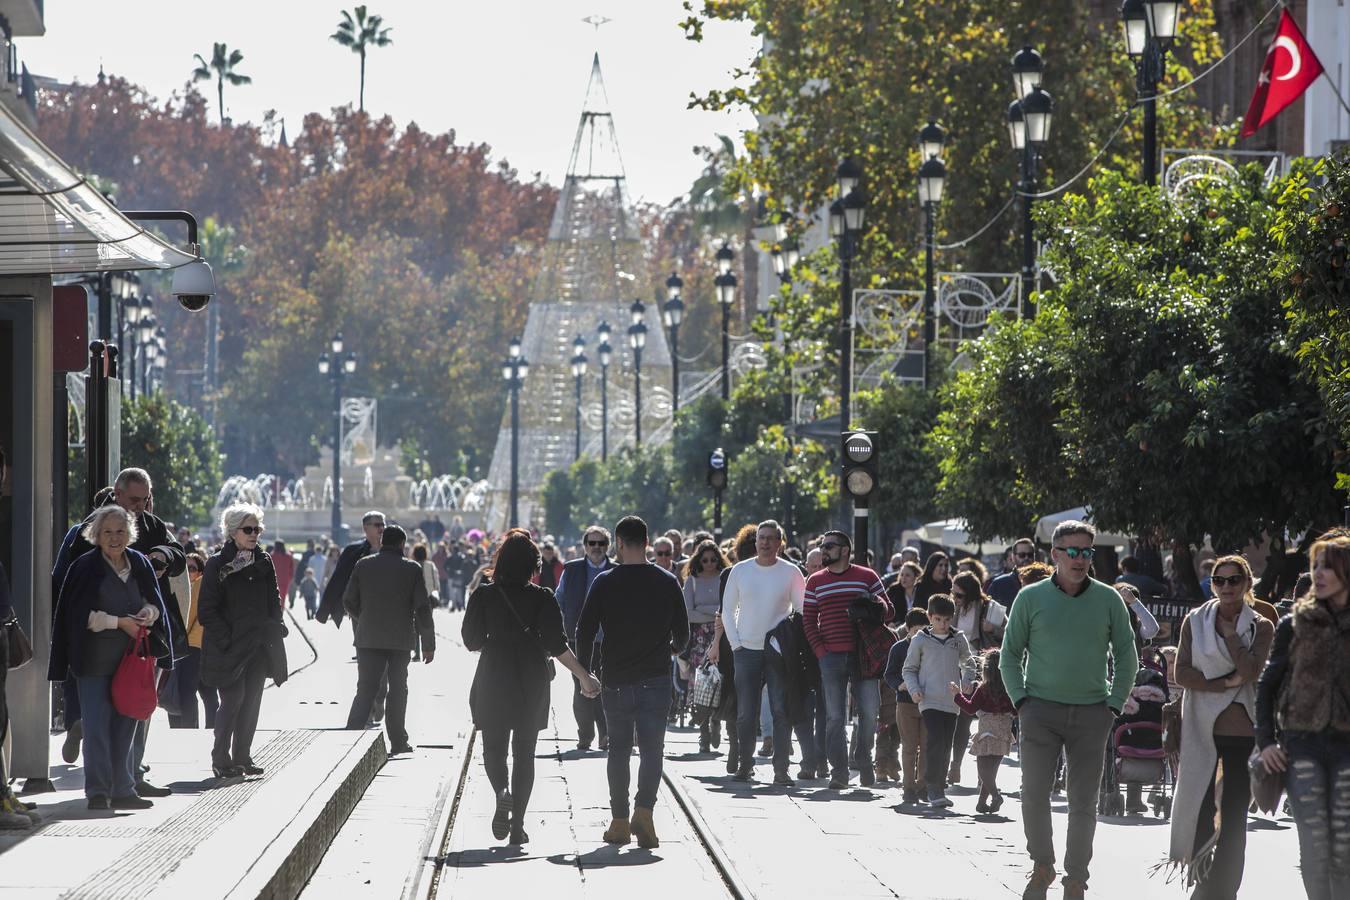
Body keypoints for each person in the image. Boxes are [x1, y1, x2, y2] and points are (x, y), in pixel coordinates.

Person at [999, 520, 1138, 900]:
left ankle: (1076, 878)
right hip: (1039, 710)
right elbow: (1009, 656)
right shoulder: (1030, 598)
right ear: (1055, 554)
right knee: (1033, 794)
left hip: (1092, 712)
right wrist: (1021, 701)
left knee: (1083, 802)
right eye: (1072, 552)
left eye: (1087, 552)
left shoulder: (1109, 599)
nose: (1080, 559)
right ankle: (1042, 864)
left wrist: (1113, 703)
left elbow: (1128, 656)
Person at [51, 467, 186, 797]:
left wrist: (148, 613)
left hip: (134, 655)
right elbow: (72, 606)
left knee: (131, 716)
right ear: (97, 533)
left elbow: (164, 580)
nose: (115, 537)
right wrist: (119, 622)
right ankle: (99, 790)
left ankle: (128, 782)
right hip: (94, 656)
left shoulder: (141, 555)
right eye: (108, 532)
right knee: (98, 724)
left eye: (121, 532)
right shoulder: (84, 560)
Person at [463, 530, 597, 844]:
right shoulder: (543, 598)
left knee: (493, 749)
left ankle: (501, 791)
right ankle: (518, 827)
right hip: (532, 680)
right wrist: (583, 676)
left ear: (500, 561)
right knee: (525, 754)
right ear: (533, 565)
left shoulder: (483, 595)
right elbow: (558, 645)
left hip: (493, 675)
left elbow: (470, 641)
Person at [576, 516, 688, 849]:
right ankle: (645, 813)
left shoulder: (605, 582)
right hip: (655, 678)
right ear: (648, 541)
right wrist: (669, 648)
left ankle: (620, 821)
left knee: (619, 750)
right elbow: (682, 635)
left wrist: (586, 671)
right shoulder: (668, 581)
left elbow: (584, 630)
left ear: (619, 543)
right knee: (653, 750)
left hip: (617, 680)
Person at [1166, 554, 1273, 899]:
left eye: (1233, 580)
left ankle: (1223, 889)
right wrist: (1226, 683)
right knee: (1199, 808)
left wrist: (1230, 636)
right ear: (1211, 584)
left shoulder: (1263, 624)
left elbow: (1254, 671)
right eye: (1218, 580)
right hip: (1201, 729)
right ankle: (1202, 875)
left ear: (1246, 584)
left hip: (1243, 734)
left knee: (1233, 816)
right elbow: (1180, 674)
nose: (1226, 587)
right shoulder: (1194, 621)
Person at [1256, 532, 1350, 900]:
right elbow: (1266, 687)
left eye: (1329, 566)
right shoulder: (1293, 624)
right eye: (1315, 566)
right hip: (1301, 745)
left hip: (1348, 749)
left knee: (1343, 846)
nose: (1319, 574)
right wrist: (1265, 743)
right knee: (1314, 843)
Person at [199, 503, 288, 780]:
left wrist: (276, 625)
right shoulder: (217, 563)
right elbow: (207, 611)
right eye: (248, 529)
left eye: (257, 529)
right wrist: (227, 638)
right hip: (229, 646)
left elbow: (274, 599)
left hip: (258, 645)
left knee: (251, 702)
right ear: (232, 531)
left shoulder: (263, 561)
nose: (254, 534)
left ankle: (242, 757)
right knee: (233, 700)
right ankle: (220, 758)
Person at [803, 529, 892, 789]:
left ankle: (864, 760)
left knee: (869, 712)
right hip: (830, 656)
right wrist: (821, 651)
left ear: (845, 550)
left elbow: (890, 611)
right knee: (834, 717)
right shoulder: (815, 581)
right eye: (822, 546)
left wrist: (874, 605)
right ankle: (839, 772)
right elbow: (809, 620)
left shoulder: (867, 576)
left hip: (864, 656)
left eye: (829, 546)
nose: (824, 550)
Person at [721, 520, 805, 785]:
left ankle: (782, 770)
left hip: (778, 653)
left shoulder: (791, 572)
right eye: (761, 538)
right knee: (746, 712)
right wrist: (736, 645)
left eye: (771, 538)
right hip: (746, 650)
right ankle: (746, 766)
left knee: (781, 709)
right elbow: (727, 611)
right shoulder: (740, 571)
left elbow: (801, 610)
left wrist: (790, 643)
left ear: (780, 542)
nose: (766, 543)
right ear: (755, 541)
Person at [344, 525, 436, 754]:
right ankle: (398, 741)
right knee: (398, 689)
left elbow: (348, 601)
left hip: (368, 638)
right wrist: (428, 644)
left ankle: (350, 738)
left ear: (382, 541)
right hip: (400, 640)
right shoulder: (412, 569)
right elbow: (422, 608)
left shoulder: (363, 564)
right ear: (402, 544)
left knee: (365, 688)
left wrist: (364, 618)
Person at [901, 594, 972, 807]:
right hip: (929, 700)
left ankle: (940, 786)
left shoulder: (958, 639)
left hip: (952, 702)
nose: (943, 624)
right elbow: (909, 669)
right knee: (934, 740)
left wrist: (967, 681)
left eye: (947, 620)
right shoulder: (920, 640)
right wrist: (914, 690)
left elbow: (969, 663)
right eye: (938, 619)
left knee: (946, 744)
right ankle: (931, 786)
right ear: (930, 617)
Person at [555, 525, 614, 752]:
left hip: (608, 639)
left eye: (601, 543)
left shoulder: (616, 570)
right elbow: (559, 599)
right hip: (578, 638)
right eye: (592, 543)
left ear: (608, 546)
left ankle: (605, 733)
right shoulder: (572, 569)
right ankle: (585, 735)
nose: (597, 548)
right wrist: (562, 624)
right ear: (585, 546)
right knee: (581, 684)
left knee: (606, 687)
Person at [948, 571, 1007, 783]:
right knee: (962, 720)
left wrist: (994, 628)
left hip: (984, 669)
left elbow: (1009, 632)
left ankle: (986, 776)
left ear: (971, 593)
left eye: (959, 595)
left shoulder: (990, 607)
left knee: (985, 720)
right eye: (953, 594)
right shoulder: (953, 609)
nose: (955, 598)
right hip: (959, 665)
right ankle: (955, 766)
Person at [953, 648, 1016, 814]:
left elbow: (970, 708)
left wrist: (957, 695)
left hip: (987, 732)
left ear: (986, 669)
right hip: (1003, 733)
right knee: (991, 771)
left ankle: (995, 796)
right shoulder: (1010, 689)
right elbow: (1016, 710)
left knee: (982, 769)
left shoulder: (983, 689)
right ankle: (981, 803)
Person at [682, 539, 729, 752]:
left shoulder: (725, 579)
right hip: (699, 640)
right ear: (698, 561)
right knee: (701, 685)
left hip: (722, 636)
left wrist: (704, 610)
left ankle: (716, 722)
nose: (709, 564)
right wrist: (715, 612)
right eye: (705, 560)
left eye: (713, 559)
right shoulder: (691, 581)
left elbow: (729, 609)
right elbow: (688, 613)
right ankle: (704, 734)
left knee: (720, 683)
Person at [884, 607, 933, 805]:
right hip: (905, 703)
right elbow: (889, 674)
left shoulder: (932, 647)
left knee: (927, 746)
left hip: (928, 703)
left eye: (924, 629)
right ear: (909, 629)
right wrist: (900, 684)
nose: (919, 634)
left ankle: (922, 785)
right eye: (916, 630)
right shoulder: (899, 648)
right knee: (909, 747)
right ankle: (908, 786)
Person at [168, 551, 217, 729]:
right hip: (202, 647)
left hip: (190, 647)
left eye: (192, 568)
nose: (188, 572)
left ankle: (188, 729)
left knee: (185, 692)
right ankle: (213, 727)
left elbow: (187, 619)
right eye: (184, 568)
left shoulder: (197, 587)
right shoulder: (193, 587)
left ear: (200, 572)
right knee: (208, 692)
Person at [317, 511, 386, 627]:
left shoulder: (393, 550)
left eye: (383, 525)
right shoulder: (353, 551)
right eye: (377, 525)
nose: (381, 528)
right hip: (361, 608)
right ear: (365, 528)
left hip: (386, 607)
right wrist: (324, 611)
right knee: (363, 643)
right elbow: (338, 579)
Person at [411, 542, 439, 662]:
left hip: (413, 598)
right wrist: (435, 592)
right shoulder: (430, 565)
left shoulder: (411, 565)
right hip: (428, 598)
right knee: (426, 625)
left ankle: (416, 652)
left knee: (414, 626)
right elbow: (436, 581)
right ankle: (426, 650)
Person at [990, 539, 1036, 608]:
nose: (1026, 558)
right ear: (1013, 557)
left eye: (1030, 555)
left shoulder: (1043, 581)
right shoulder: (999, 584)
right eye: (1022, 555)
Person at [270, 540, 295, 608]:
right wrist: (289, 579)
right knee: (282, 598)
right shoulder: (289, 556)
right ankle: (281, 612)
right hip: (285, 580)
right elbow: (291, 569)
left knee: (274, 598)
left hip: (274, 580)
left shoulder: (272, 555)